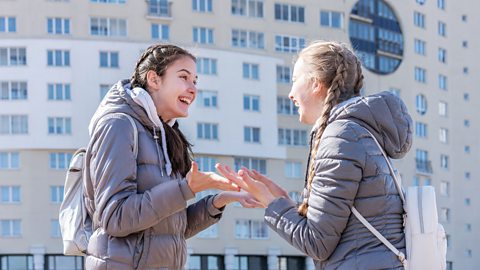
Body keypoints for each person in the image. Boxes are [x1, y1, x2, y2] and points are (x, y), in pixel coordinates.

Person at [217, 40, 413, 269]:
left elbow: (317, 243)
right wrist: (286, 204)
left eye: (294, 80)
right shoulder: (358, 133)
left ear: (315, 84)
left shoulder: (341, 137)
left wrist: (270, 202)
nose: (290, 93)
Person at [83, 44, 259, 269]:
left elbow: (171, 230)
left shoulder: (166, 136)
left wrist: (220, 199)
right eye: (184, 77)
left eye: (195, 81)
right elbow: (115, 218)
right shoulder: (118, 125)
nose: (193, 88)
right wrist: (186, 188)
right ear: (154, 79)